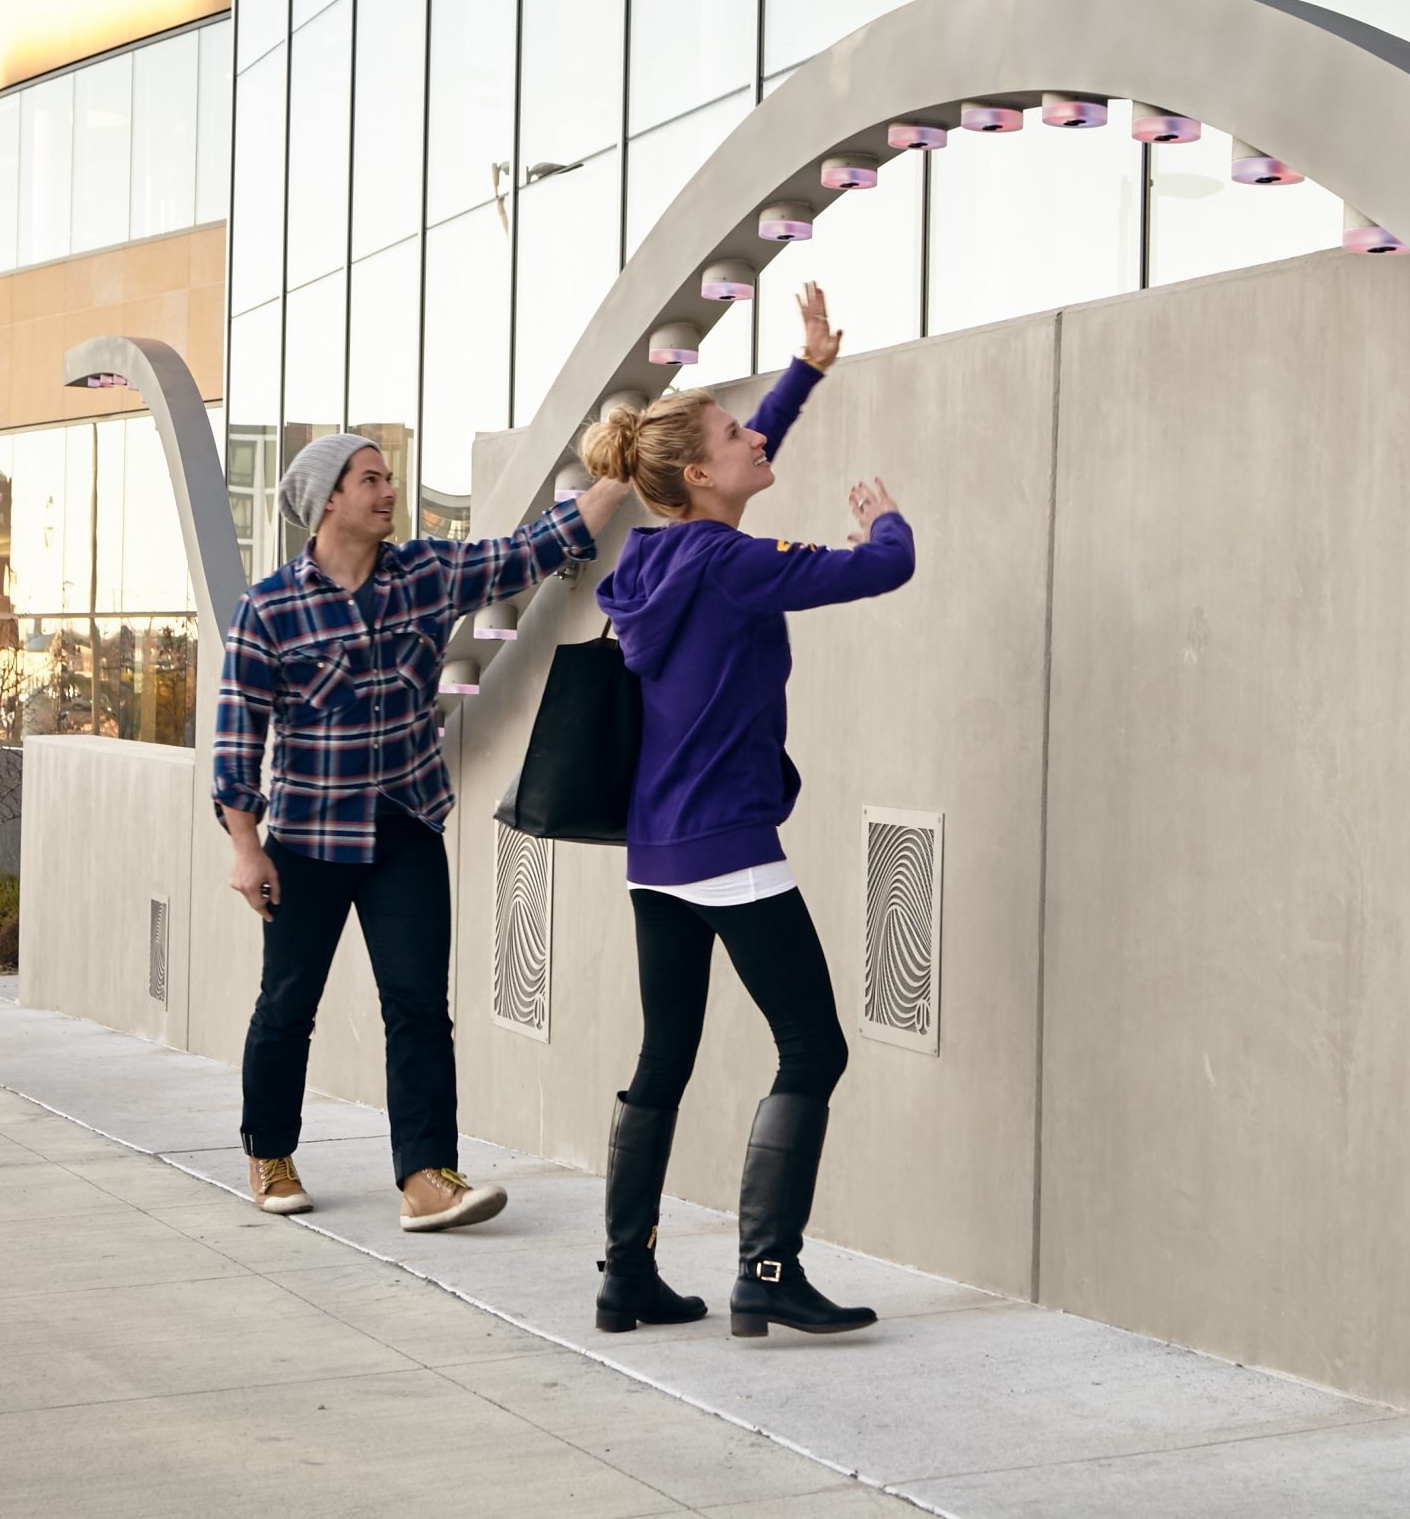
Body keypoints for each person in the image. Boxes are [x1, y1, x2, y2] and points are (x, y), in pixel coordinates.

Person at [580, 283, 914, 1338]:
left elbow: (735, 463)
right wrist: (885, 519)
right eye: (732, 435)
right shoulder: (726, 564)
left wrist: (804, 372)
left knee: (663, 1056)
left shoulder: (656, 554)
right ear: (692, 472)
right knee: (813, 1048)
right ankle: (766, 1269)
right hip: (728, 846)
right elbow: (884, 568)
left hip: (655, 849)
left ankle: (625, 1275)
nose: (751, 440)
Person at [213, 432, 629, 1231]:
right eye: (370, 479)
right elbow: (240, 738)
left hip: (404, 826)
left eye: (387, 477)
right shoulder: (269, 607)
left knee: (417, 1005)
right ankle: (270, 1151)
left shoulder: (425, 575)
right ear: (329, 496)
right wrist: (244, 844)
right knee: (288, 1003)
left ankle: (426, 1175)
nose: (387, 490)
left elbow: (532, 549)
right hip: (306, 838)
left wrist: (615, 475)